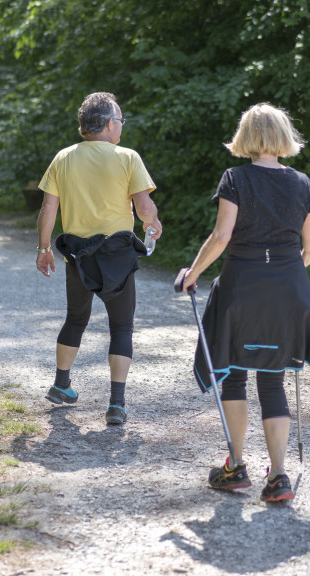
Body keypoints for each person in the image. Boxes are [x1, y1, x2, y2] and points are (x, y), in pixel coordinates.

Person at [182, 103, 310, 502]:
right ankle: (279, 478)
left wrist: (193, 273)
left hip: (242, 286)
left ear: (246, 137)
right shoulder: (303, 183)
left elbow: (221, 237)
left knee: (235, 373)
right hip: (290, 288)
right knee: (272, 380)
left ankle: (235, 467)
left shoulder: (235, 177)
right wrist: (287, 272)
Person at [36, 92, 162, 425]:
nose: (121, 127)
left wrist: (44, 249)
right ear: (109, 124)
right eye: (120, 121)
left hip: (77, 255)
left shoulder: (63, 158)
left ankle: (62, 384)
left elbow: (49, 208)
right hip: (117, 255)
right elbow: (145, 209)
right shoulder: (127, 158)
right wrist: (153, 223)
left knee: (75, 318)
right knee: (121, 327)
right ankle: (116, 404)